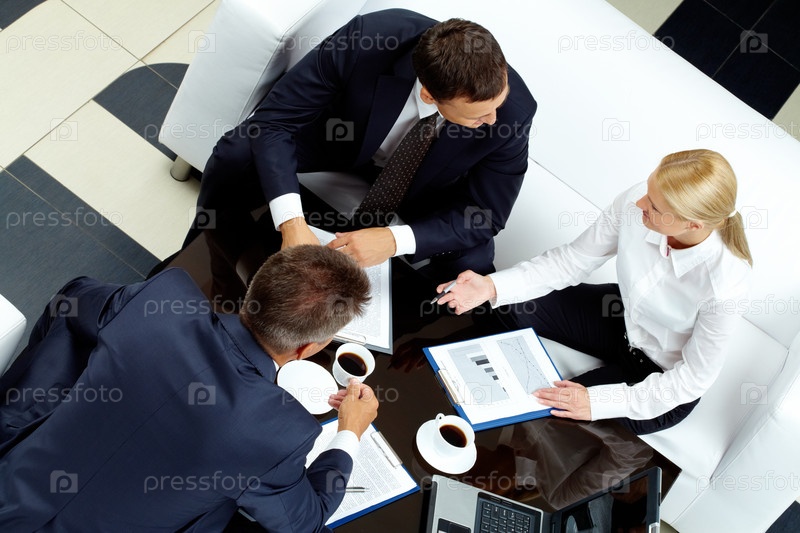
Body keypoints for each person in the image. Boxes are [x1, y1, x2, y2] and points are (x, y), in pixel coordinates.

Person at [0, 246, 378, 532]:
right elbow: (305, 521)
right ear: (307, 348)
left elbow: (73, 298)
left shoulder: (160, 302)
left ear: (253, 288)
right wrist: (350, 433)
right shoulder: (281, 433)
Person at [186, 8, 537, 280]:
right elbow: (275, 121)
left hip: (423, 192)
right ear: (429, 96)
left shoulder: (513, 113)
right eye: (479, 115)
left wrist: (394, 240)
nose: (492, 119)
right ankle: (200, 259)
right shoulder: (369, 38)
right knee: (237, 150)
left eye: (498, 104)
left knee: (476, 258)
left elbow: (486, 213)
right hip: (338, 142)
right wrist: (291, 223)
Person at [435, 149, 753, 434]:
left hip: (660, 379)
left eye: (654, 206)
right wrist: (491, 286)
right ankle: (443, 373)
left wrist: (597, 401)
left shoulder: (726, 284)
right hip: (620, 319)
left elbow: (692, 380)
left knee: (551, 411)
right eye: (648, 191)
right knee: (504, 301)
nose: (640, 203)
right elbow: (573, 261)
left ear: (693, 225)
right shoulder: (638, 200)